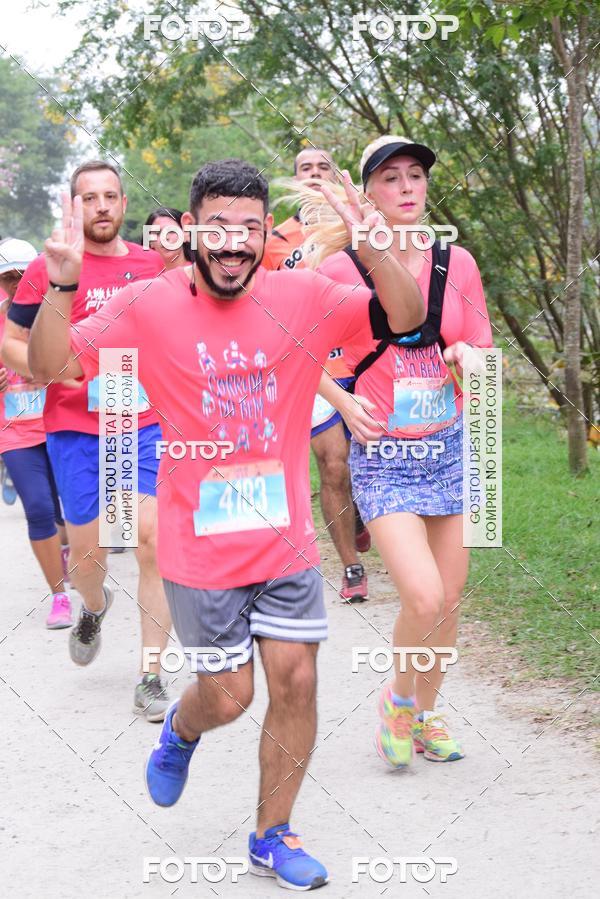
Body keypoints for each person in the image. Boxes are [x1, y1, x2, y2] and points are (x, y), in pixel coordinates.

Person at [28, 158, 424, 890]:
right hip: (197, 547)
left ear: (265, 233)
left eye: (249, 228)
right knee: (230, 695)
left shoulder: (301, 294)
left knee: (297, 678)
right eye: (218, 226)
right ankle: (181, 729)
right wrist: (61, 283)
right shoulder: (149, 303)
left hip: (284, 541)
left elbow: (404, 317)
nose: (235, 243)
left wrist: (375, 249)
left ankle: (272, 834)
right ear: (191, 233)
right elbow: (51, 368)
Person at [298, 135, 493, 767]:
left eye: (415, 176)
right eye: (391, 178)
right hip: (384, 455)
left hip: (450, 445)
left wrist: (469, 357)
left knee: (452, 598)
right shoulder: (339, 268)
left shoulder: (455, 263)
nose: (407, 187)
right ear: (370, 194)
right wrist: (342, 400)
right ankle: (398, 702)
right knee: (423, 596)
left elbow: (482, 346)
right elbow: (295, 351)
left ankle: (428, 713)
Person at [2, 160, 172, 722]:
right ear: (72, 207)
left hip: (141, 423)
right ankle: (94, 607)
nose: (101, 206)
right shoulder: (47, 269)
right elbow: (12, 337)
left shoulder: (154, 267)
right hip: (74, 427)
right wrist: (49, 367)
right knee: (89, 555)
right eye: (88, 198)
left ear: (124, 204)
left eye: (110, 196)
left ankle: (150, 675)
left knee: (152, 540)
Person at [263, 147, 371, 603]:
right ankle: (351, 566)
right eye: (304, 169)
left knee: (365, 463)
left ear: (334, 176)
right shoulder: (273, 242)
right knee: (332, 462)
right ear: (294, 179)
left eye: (322, 167)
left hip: (366, 363)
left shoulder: (358, 230)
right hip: (313, 366)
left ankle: (362, 512)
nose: (313, 174)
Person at [0, 237, 72, 628]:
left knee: (68, 514)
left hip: (61, 425)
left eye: (21, 275)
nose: (14, 284)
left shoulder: (58, 316)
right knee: (39, 509)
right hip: (14, 434)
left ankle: (67, 554)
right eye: (6, 277)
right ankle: (59, 595)